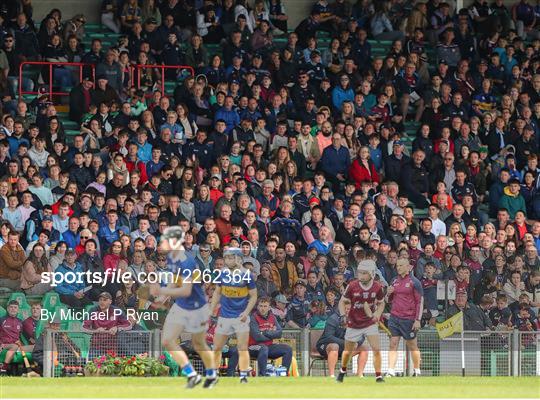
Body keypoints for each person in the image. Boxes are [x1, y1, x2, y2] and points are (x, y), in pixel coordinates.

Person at [149, 227, 217, 388]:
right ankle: (191, 374)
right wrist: (161, 299)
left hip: (196, 307)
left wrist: (162, 290)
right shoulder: (172, 258)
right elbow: (174, 281)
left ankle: (212, 374)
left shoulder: (187, 261)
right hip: (181, 305)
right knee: (167, 340)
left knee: (199, 344)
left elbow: (185, 290)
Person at [209, 248, 257, 383]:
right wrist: (212, 308)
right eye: (226, 258)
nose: (227, 260)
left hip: (240, 316)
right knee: (217, 347)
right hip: (224, 316)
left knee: (242, 347)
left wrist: (246, 312)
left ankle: (243, 375)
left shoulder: (246, 274)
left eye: (230, 257)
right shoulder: (222, 274)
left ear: (238, 258)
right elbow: (217, 292)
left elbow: (253, 296)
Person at [336, 259, 385, 383]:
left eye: (364, 273)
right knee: (348, 352)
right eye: (359, 273)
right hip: (354, 322)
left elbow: (381, 303)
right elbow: (342, 302)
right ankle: (342, 370)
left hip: (369, 323)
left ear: (372, 274)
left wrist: (377, 314)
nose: (360, 275)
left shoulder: (377, 286)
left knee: (376, 349)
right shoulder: (352, 286)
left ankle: (378, 376)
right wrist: (343, 316)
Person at [228, 296, 293, 376]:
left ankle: (284, 374)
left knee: (288, 349)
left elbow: (279, 333)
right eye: (261, 306)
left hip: (269, 346)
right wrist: (272, 334)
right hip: (253, 347)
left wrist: (265, 332)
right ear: (257, 307)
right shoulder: (253, 318)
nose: (263, 308)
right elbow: (257, 337)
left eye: (265, 306)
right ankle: (263, 375)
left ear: (269, 307)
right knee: (263, 348)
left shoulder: (273, 317)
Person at [386, 258, 423, 377]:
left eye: (401, 265)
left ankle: (417, 370)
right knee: (393, 343)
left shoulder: (414, 282)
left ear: (408, 267)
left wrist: (417, 320)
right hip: (394, 317)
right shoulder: (394, 280)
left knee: (412, 345)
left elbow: (420, 301)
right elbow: (388, 300)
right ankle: (391, 370)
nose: (398, 268)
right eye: (397, 265)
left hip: (408, 318)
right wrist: (388, 293)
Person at [316, 300, 368, 377]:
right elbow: (328, 336)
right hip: (325, 345)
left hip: (344, 347)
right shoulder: (333, 319)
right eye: (346, 309)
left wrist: (357, 343)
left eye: (350, 309)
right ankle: (331, 376)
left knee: (364, 348)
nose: (348, 311)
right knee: (334, 346)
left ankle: (359, 375)